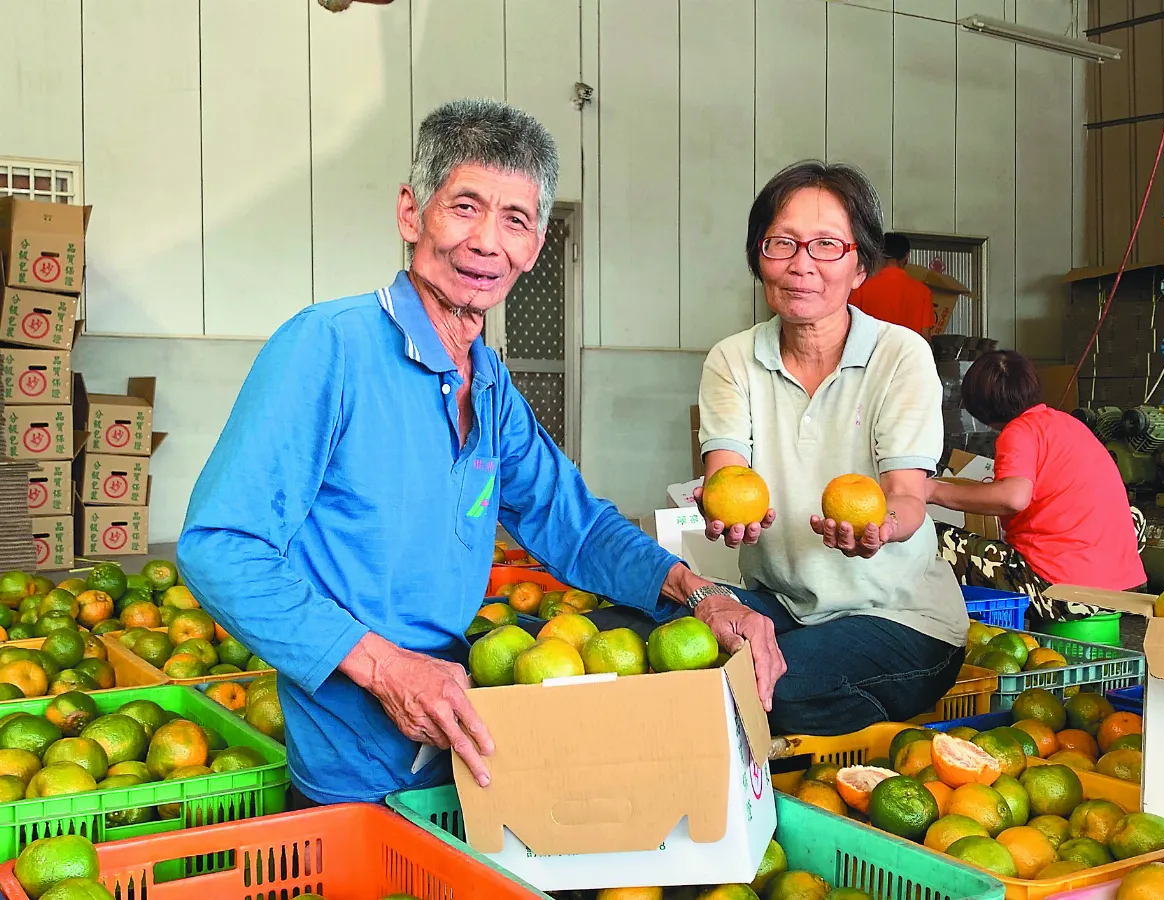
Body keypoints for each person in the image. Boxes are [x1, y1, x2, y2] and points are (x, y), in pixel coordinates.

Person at [176, 98, 785, 807]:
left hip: (473, 737)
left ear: (533, 247)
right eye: (465, 206)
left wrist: (700, 593)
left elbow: (576, 526)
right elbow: (218, 544)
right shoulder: (327, 349)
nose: (487, 242)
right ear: (412, 214)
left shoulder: (491, 388)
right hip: (358, 764)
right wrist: (387, 669)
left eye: (516, 220)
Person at [694, 160, 968, 737]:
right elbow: (726, 476)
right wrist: (718, 510)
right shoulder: (732, 360)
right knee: (655, 643)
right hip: (784, 606)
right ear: (757, 257)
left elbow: (906, 497)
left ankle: (866, 737)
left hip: (898, 616)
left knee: (760, 695)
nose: (802, 265)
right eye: (782, 243)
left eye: (826, 245)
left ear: (860, 265)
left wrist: (881, 528)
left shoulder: (901, 355)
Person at [927, 350, 1147, 625]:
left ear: (977, 405)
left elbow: (1014, 497)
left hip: (1062, 593)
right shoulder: (1066, 423)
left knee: (928, 538)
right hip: (1122, 591)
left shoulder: (1019, 431)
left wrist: (932, 491)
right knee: (1132, 514)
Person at [848, 232, 936, 339]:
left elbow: (850, 328)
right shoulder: (922, 292)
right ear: (907, 255)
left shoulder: (860, 287)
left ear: (880, 254)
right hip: (907, 354)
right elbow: (925, 337)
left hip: (871, 354)